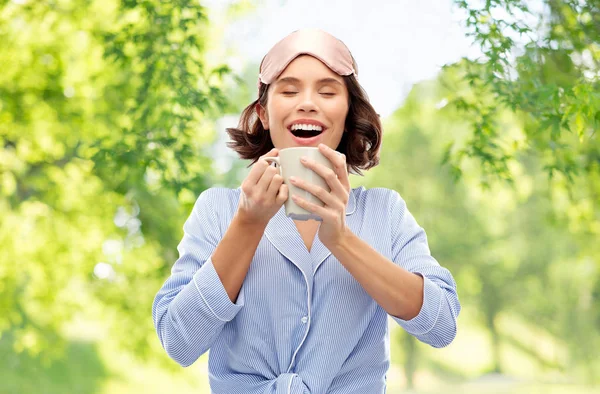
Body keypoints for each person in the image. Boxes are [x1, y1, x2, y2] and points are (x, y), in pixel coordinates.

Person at [152, 28, 460, 394]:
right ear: (264, 114)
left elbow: (441, 326)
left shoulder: (384, 211)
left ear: (347, 113)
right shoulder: (219, 210)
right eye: (289, 90)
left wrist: (342, 240)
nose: (308, 103)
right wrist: (248, 224)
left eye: (328, 92)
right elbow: (179, 342)